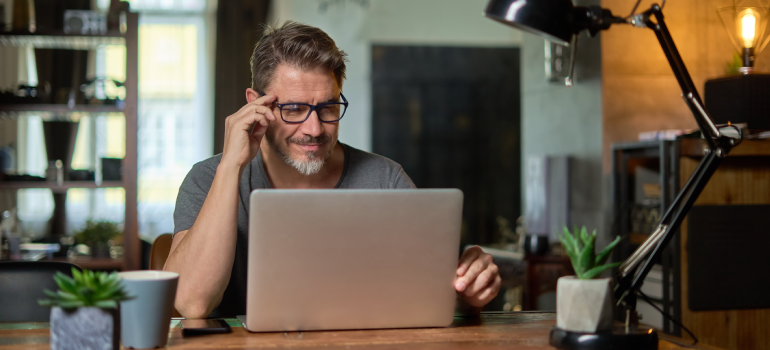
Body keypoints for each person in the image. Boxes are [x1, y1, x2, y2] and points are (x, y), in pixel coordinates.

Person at [164, 21, 501, 319]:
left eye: (328, 107)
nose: (314, 128)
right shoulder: (209, 178)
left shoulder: (386, 180)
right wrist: (231, 167)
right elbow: (193, 304)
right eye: (294, 109)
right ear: (255, 104)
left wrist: (467, 293)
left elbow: (429, 298)